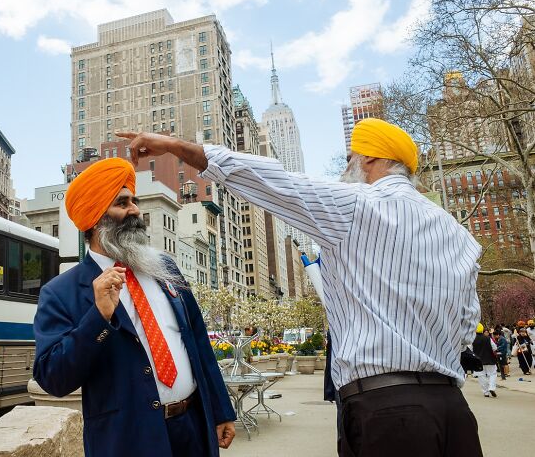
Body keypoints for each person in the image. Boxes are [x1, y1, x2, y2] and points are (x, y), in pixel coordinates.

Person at [118, 120, 483, 457]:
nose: (347, 168)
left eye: (349, 158)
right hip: (453, 408)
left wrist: (174, 145)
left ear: (369, 157)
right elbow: (468, 323)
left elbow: (267, 180)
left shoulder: (355, 205)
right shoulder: (458, 234)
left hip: (389, 414)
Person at [32, 158, 236, 457]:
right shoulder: (61, 293)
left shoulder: (164, 266)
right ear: (95, 219)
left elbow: (198, 340)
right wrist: (98, 317)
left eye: (134, 201)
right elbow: (53, 378)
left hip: (193, 427)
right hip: (129, 439)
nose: (135, 211)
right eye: (122, 203)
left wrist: (220, 408)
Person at [472, 323, 498, 397]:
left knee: (481, 376)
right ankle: (491, 387)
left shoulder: (472, 339)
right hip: (489, 359)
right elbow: (495, 348)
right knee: (492, 373)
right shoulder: (488, 338)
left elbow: (469, 349)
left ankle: (485, 392)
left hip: (478, 361)